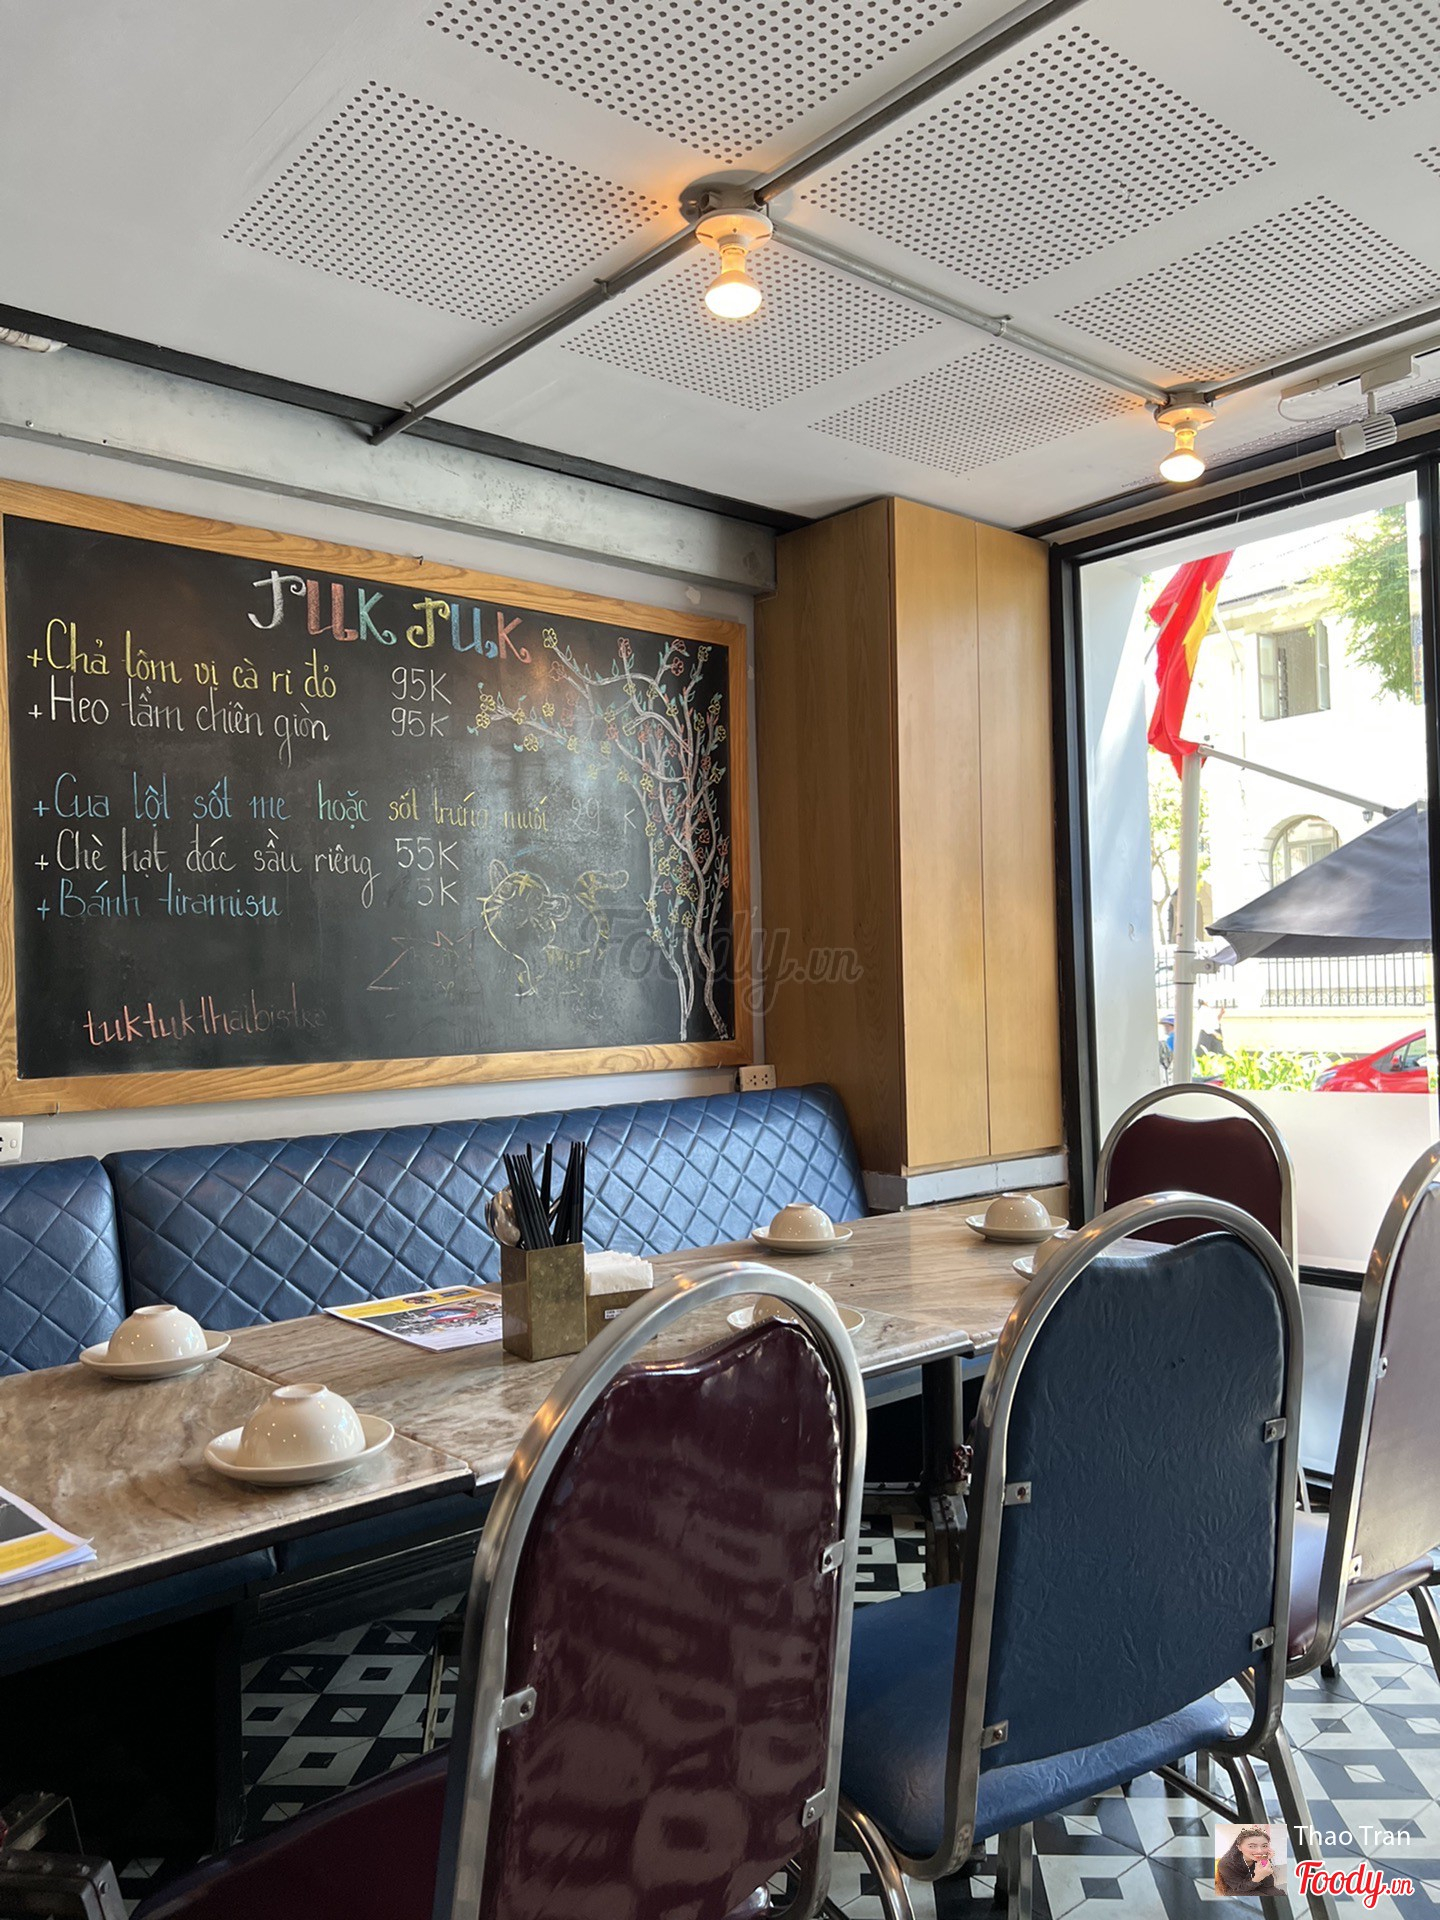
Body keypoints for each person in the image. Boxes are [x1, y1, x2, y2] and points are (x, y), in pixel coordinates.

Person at [1216, 1826, 1279, 1896]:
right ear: (1239, 1847)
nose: (1259, 1851)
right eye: (1252, 1846)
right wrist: (1258, 1877)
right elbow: (1239, 1888)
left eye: (1264, 1846)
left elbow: (1268, 1885)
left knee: (1277, 1893)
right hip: (1236, 1890)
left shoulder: (1263, 1856)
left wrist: (1264, 1860)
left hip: (1255, 1885)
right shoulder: (1226, 1863)